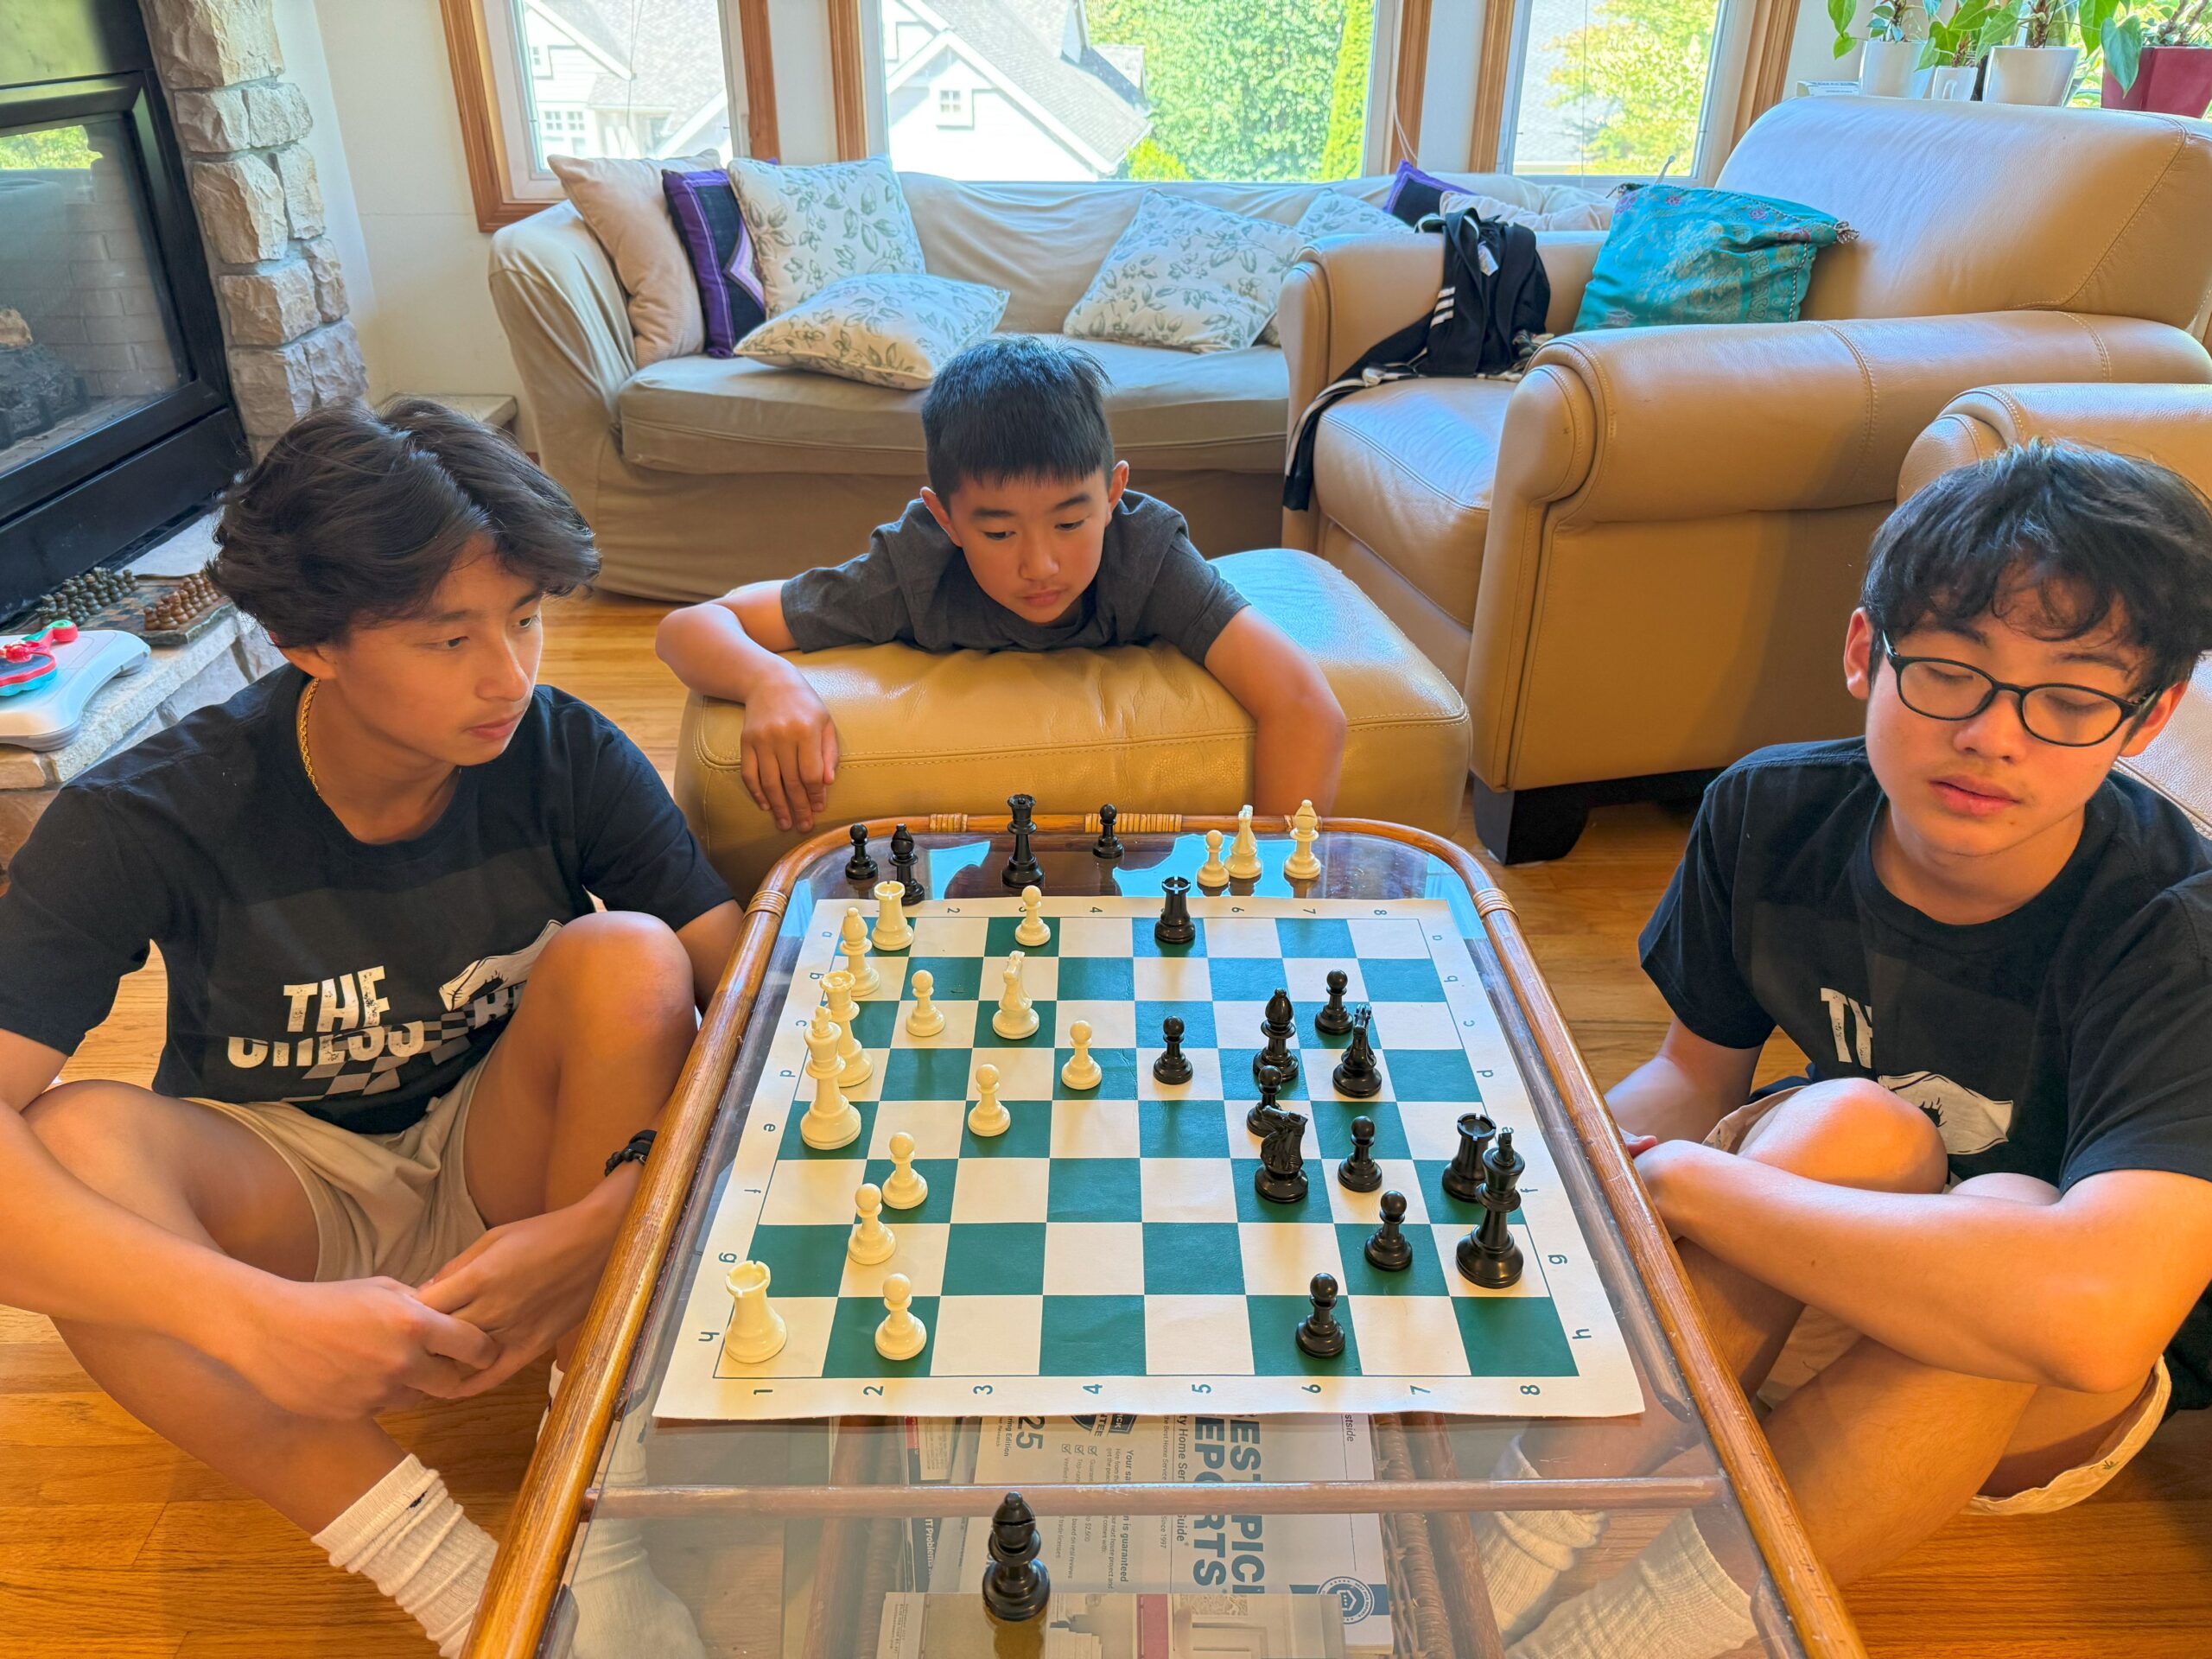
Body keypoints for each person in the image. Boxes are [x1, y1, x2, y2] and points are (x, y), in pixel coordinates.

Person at [0, 401, 739, 1657]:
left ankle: (596, 1526)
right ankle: (463, 1593)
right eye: (449, 637)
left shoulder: (561, 751)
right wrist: (244, 1316)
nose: (508, 676)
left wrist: (612, 1217)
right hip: (288, 1194)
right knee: (75, 1144)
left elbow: (756, 991)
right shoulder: (149, 816)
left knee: (630, 953)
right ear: (309, 642)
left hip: (508, 1154)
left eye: (524, 617)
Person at [1486, 442, 2212, 1659]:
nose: (1994, 737)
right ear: (1865, 652)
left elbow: (2094, 1323)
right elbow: (1691, 1077)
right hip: (1803, 1254)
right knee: (1855, 1119)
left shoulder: (2175, 929)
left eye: (2071, 701)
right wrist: (1562, 1203)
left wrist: (1681, 1186)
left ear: (2149, 717)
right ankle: (1504, 1530)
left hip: (2021, 1382)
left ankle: (1624, 1637)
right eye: (1950, 674)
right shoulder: (1769, 811)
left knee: (2012, 1220)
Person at [657, 335, 1347, 830]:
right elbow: (690, 627)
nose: (1040, 565)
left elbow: (1305, 704)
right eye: (998, 534)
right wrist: (769, 682)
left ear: (1113, 494)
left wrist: (1270, 886)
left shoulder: (1147, 554)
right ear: (946, 519)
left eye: (1071, 523)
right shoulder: (913, 570)